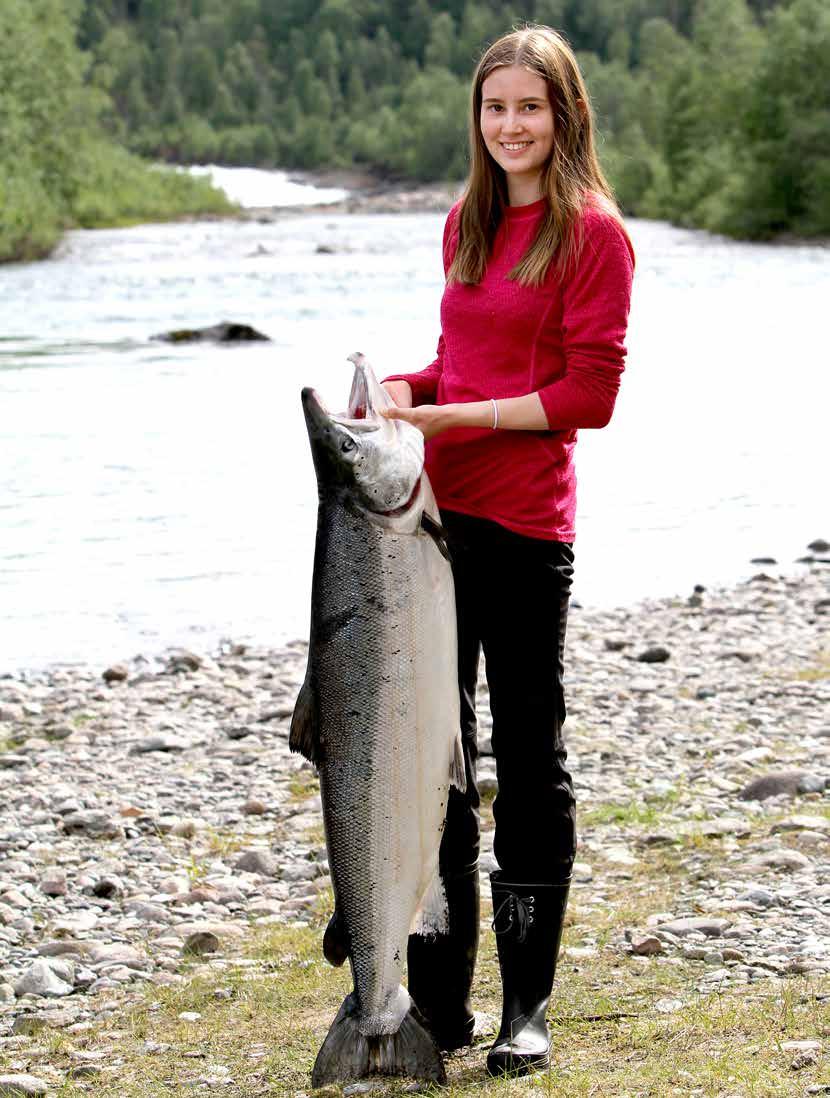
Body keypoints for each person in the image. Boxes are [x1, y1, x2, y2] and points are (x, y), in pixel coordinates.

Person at [380, 24, 635, 1078]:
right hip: (433, 526)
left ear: (563, 114)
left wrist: (461, 420)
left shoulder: (593, 235)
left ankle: (524, 1010)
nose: (509, 126)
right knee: (435, 763)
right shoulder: (466, 223)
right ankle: (436, 1009)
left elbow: (590, 398)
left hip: (527, 529)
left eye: (528, 107)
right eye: (494, 108)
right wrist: (407, 393)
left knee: (529, 766)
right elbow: (461, 357)